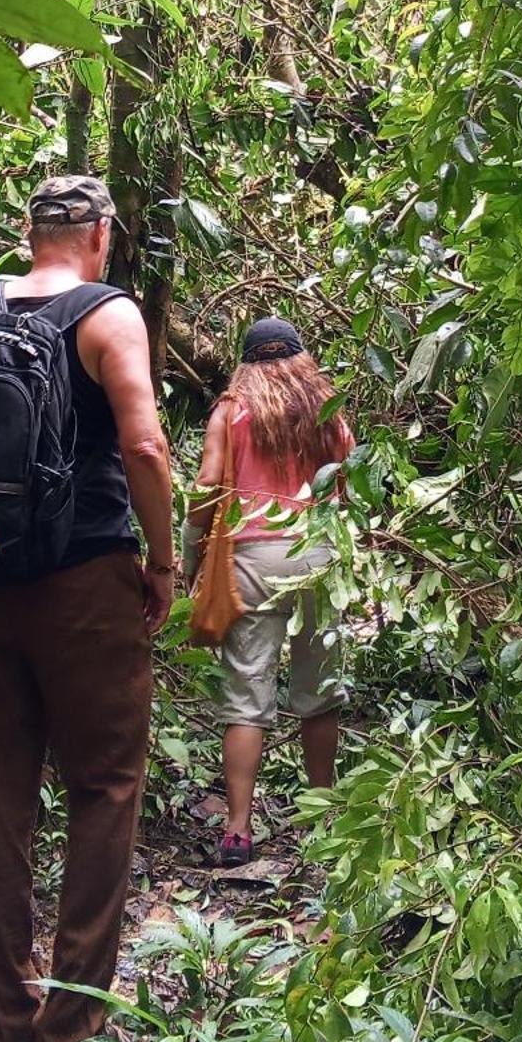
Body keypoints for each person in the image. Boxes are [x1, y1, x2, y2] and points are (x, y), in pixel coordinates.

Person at [0, 174, 175, 1042]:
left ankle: (0, 1034)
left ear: (31, 233)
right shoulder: (110, 315)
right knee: (103, 785)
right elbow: (144, 446)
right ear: (101, 236)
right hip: (87, 584)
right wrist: (163, 562)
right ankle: (70, 1037)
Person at [183, 316, 353, 867]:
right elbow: (349, 483)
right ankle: (323, 818)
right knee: (319, 689)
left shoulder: (232, 411)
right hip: (319, 554)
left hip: (252, 556)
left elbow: (207, 486)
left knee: (246, 694)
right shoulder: (326, 412)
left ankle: (237, 830)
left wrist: (188, 559)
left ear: (244, 361)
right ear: (302, 358)